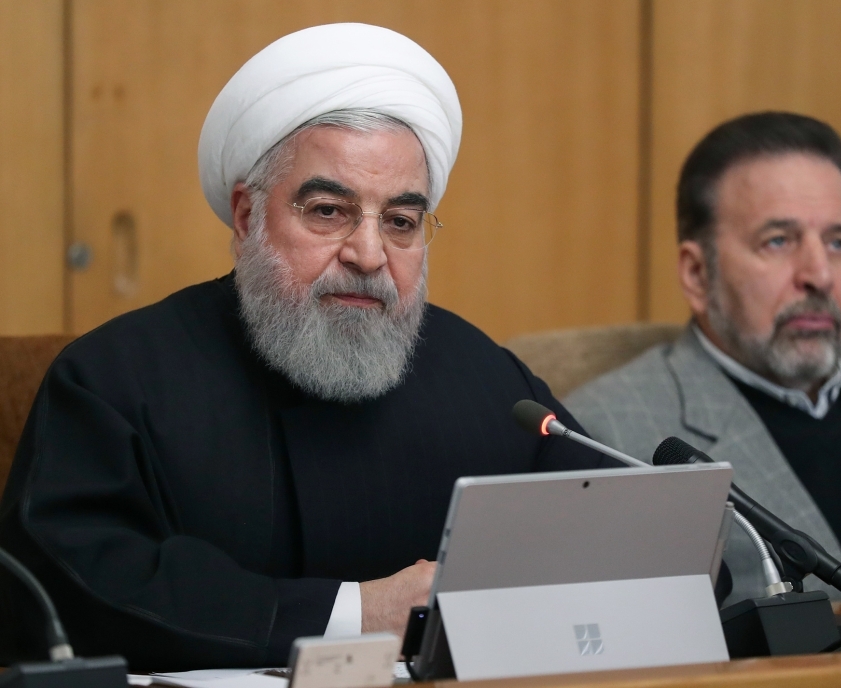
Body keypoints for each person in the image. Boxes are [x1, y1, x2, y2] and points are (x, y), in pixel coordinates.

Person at [0, 23, 614, 670]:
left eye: (401, 222)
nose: (369, 254)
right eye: (328, 211)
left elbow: (630, 544)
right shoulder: (117, 378)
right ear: (247, 216)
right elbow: (72, 587)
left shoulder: (485, 379)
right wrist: (356, 614)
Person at [566, 112, 841, 605]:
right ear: (695, 272)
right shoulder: (612, 435)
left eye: (839, 242)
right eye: (778, 241)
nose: (819, 274)